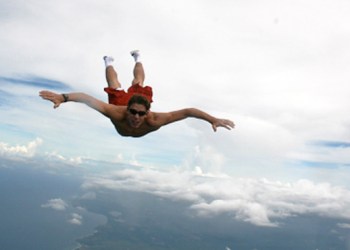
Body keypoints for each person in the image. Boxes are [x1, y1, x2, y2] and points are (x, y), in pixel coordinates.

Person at [39, 50, 235, 137]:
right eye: (133, 112)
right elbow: (86, 98)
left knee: (138, 82)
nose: (136, 117)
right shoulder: (117, 111)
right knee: (114, 84)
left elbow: (187, 111)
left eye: (141, 113)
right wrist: (62, 98)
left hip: (139, 100)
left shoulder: (155, 119)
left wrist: (212, 119)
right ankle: (109, 61)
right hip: (125, 102)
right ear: (129, 109)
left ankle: (138, 58)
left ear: (147, 112)